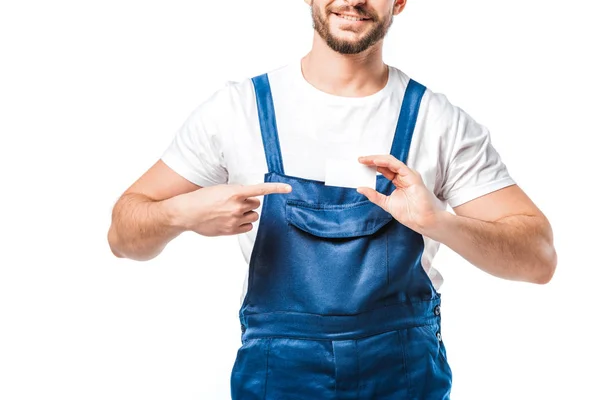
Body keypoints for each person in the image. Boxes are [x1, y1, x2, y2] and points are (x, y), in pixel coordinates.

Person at [107, 0, 557, 398]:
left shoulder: (439, 122)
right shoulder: (236, 110)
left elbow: (539, 260)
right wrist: (179, 214)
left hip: (403, 379)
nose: (353, 0)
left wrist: (438, 221)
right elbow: (123, 236)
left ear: (399, 1)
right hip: (276, 380)